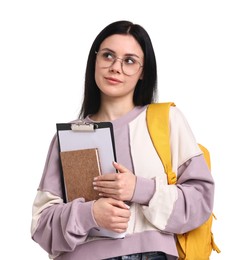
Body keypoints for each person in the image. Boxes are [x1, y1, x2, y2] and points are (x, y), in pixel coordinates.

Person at [31, 20, 215, 260]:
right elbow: (41, 226)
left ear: (143, 72)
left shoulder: (166, 121)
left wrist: (140, 189)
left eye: (129, 61)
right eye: (108, 56)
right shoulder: (69, 137)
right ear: (95, 61)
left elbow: (201, 200)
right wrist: (91, 214)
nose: (116, 67)